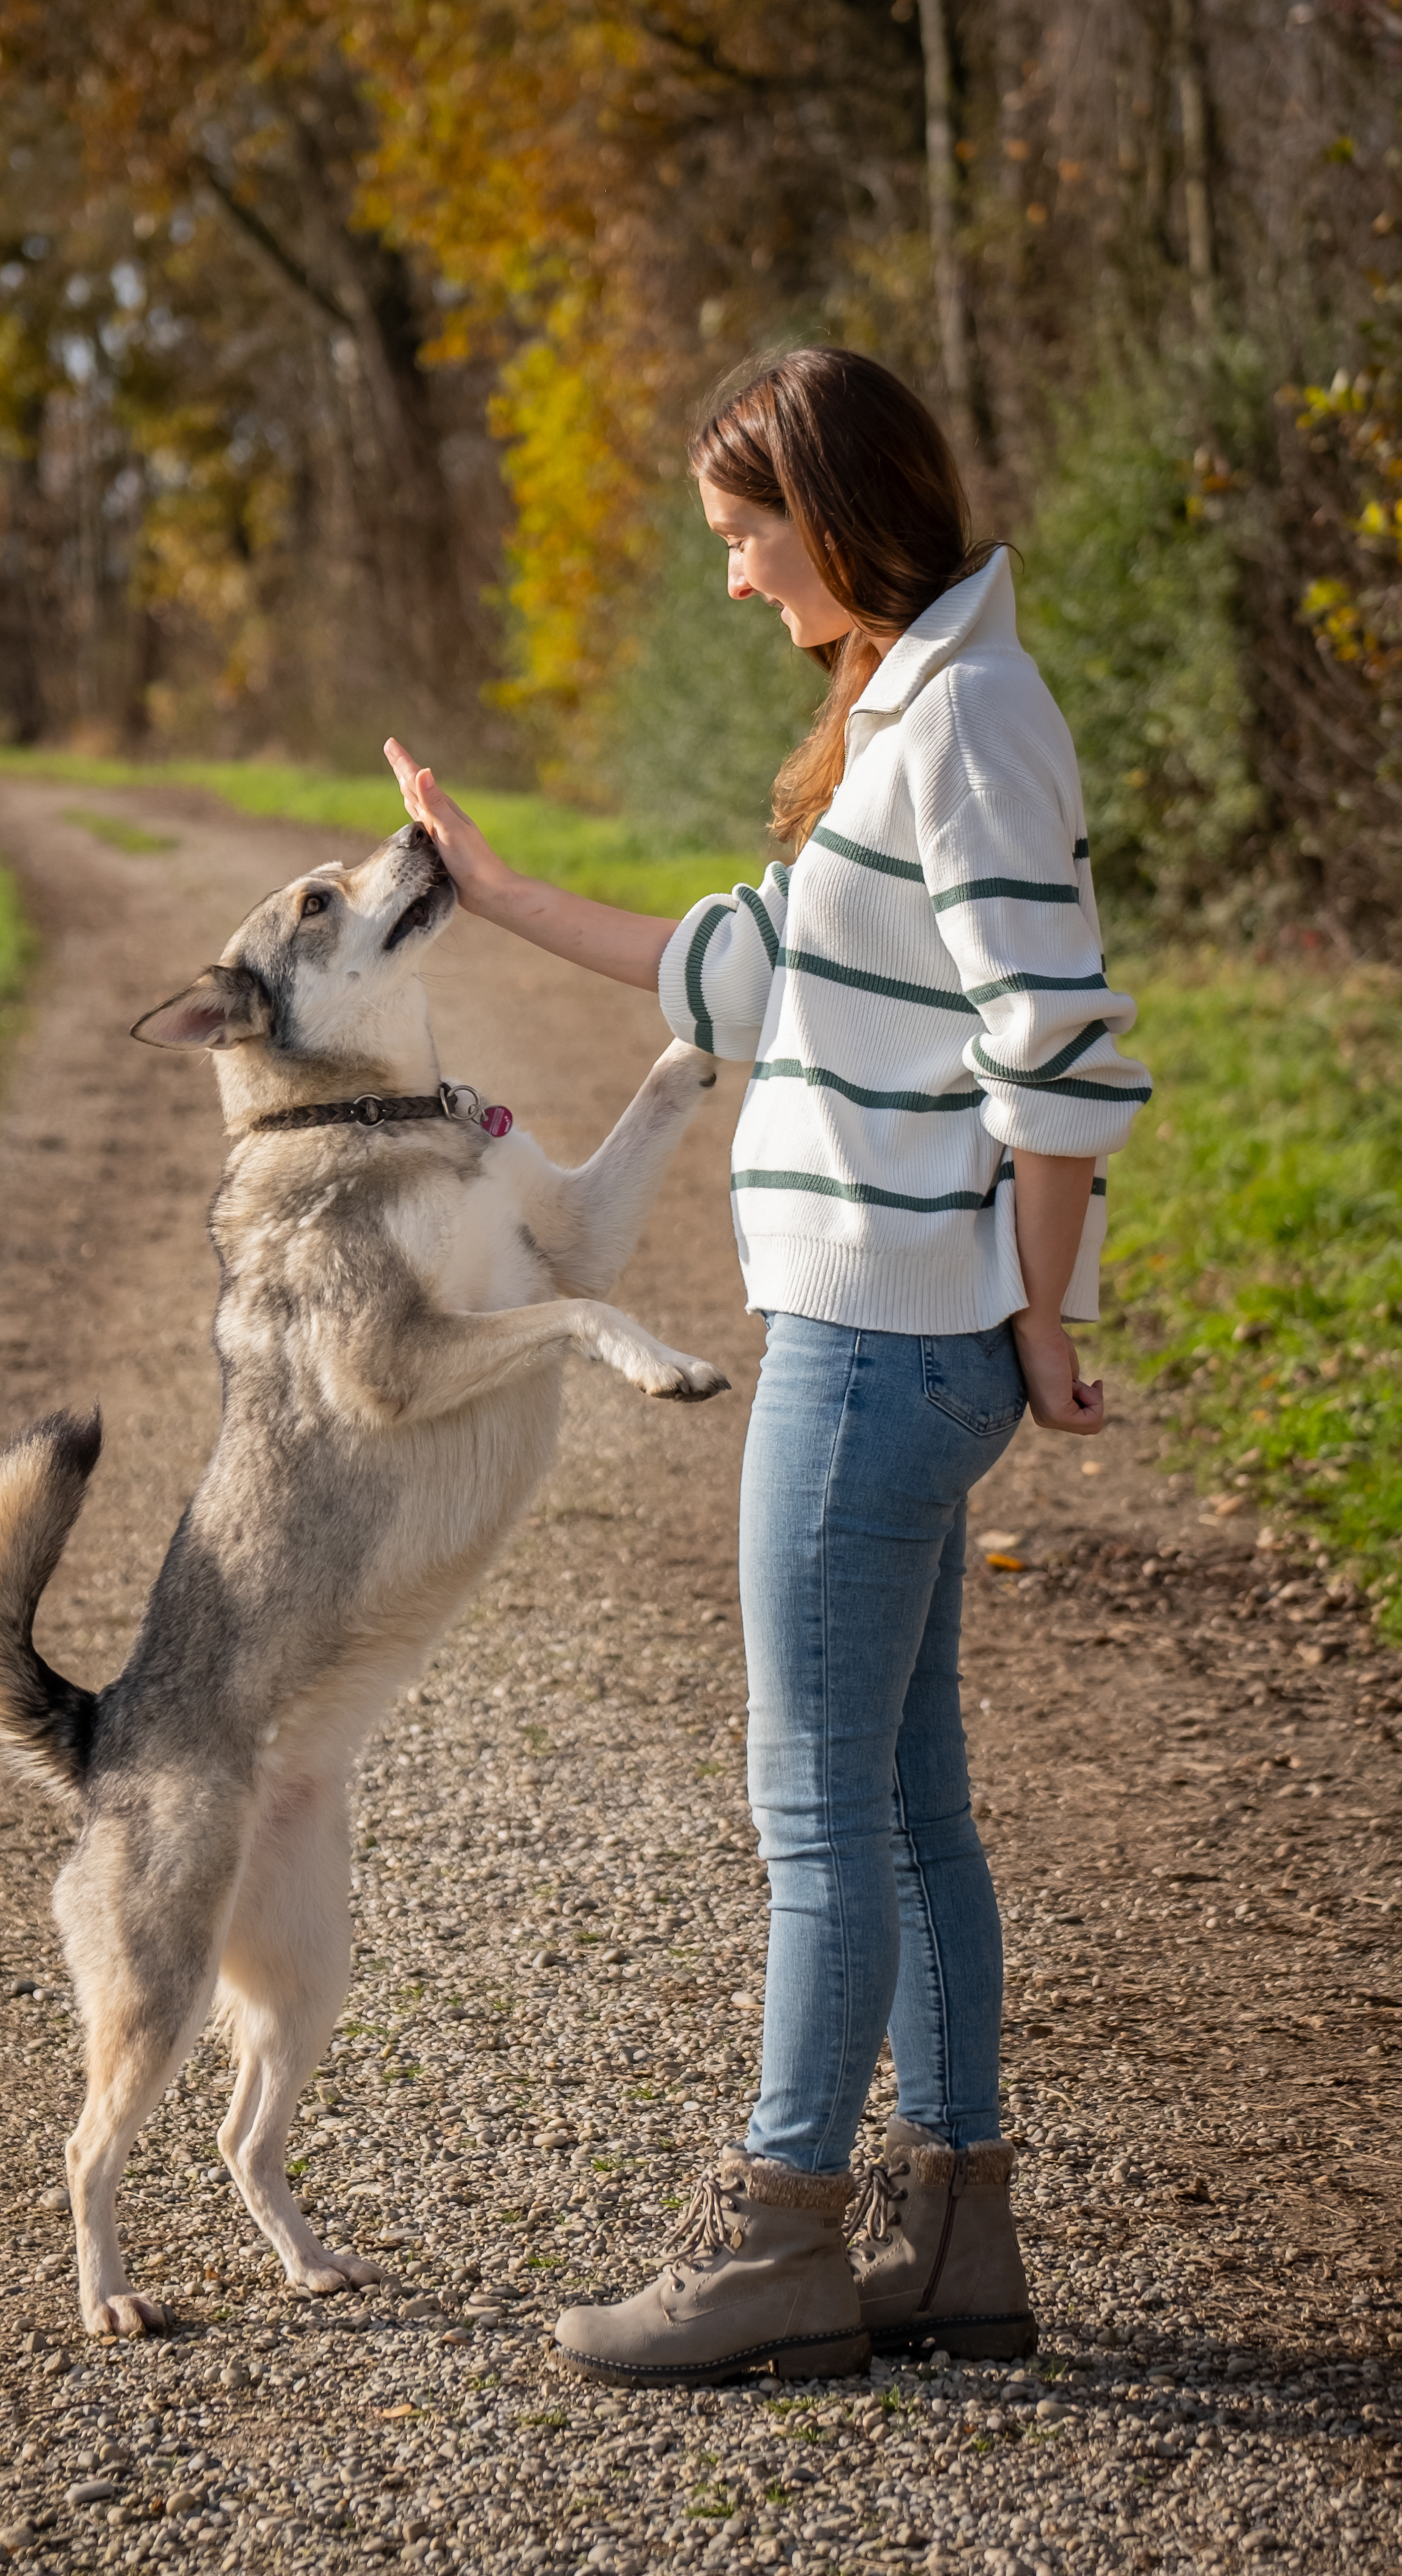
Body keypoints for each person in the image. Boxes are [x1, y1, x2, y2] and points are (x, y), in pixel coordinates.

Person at [383, 345, 1151, 2388]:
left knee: (816, 1813)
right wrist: (478, 885)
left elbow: (1056, 1049)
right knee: (906, 1808)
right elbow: (740, 968)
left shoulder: (965, 718)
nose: (729, 580)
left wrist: (1042, 1308)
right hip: (897, 1337)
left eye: (742, 536)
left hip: (881, 1346)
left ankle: (782, 2236)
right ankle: (956, 2231)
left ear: (833, 509)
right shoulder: (914, 705)